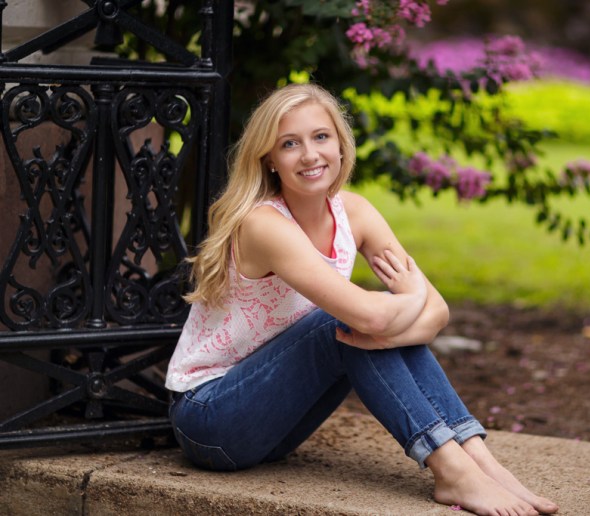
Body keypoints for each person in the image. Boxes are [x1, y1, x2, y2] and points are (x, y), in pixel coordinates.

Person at [165, 83, 559, 516]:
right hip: (210, 419)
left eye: (321, 137)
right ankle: (453, 473)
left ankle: (480, 461)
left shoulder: (354, 212)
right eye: (289, 144)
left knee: (361, 326)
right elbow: (376, 314)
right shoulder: (263, 224)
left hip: (275, 427)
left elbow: (438, 311)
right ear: (270, 160)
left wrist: (394, 319)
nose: (311, 155)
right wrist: (407, 300)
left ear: (339, 143)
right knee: (341, 322)